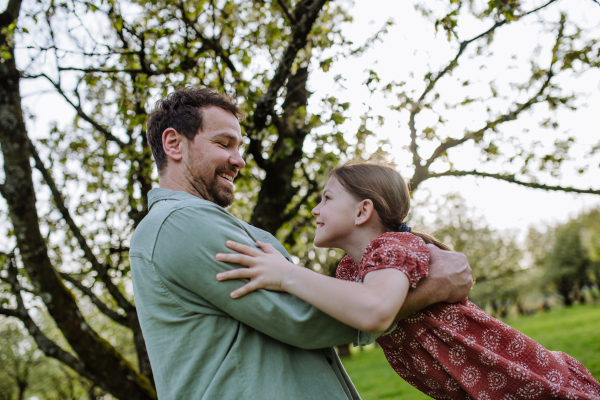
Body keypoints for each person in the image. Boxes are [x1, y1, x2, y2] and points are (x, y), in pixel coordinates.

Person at [130, 87, 474, 400]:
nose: (239, 160)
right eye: (224, 144)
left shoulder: (190, 223)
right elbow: (301, 315)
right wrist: (432, 287)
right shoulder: (181, 224)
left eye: (239, 146)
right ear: (173, 144)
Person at [216, 161, 600, 400]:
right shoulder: (351, 272)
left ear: (363, 210)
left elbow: (375, 311)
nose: (315, 208)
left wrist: (285, 274)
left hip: (525, 381)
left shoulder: (394, 247)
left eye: (327, 198)